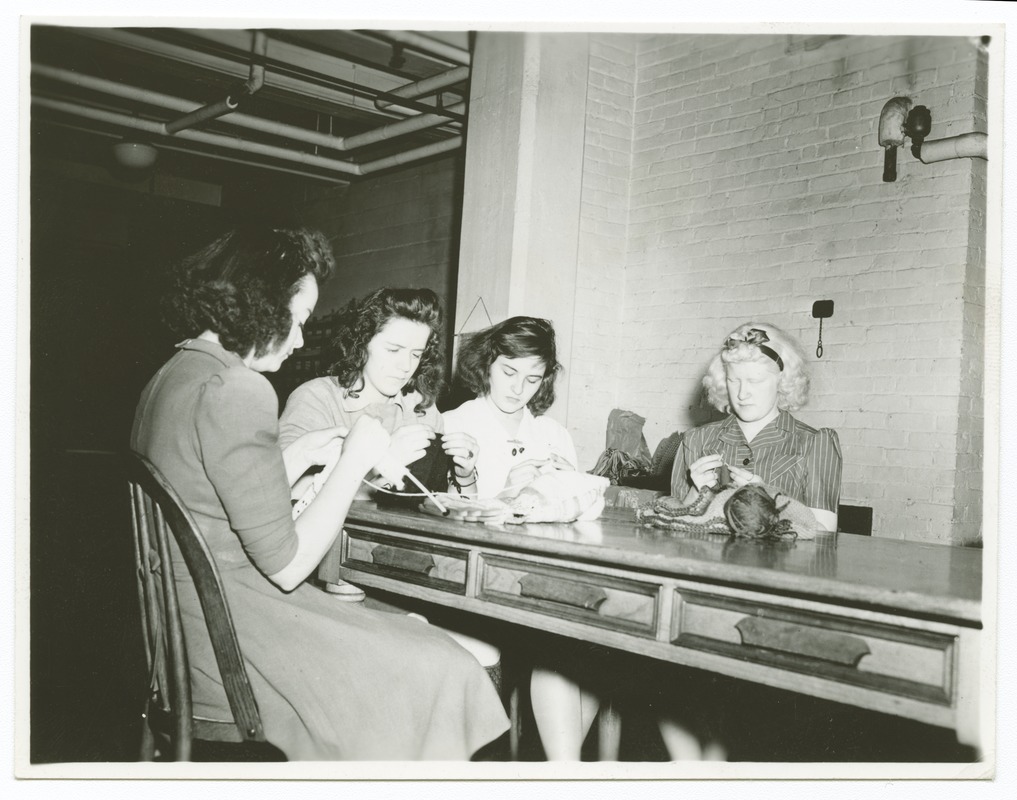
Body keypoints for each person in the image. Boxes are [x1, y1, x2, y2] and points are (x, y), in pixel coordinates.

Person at [130, 227, 508, 760]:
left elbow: (207, 497)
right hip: (237, 647)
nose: (302, 339)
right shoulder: (238, 388)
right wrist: (355, 458)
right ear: (259, 306)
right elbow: (287, 567)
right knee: (444, 664)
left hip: (187, 640)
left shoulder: (176, 373)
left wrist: (294, 457)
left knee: (410, 639)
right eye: (299, 319)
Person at [658, 320, 843, 760]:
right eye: (733, 380)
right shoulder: (697, 440)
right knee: (669, 680)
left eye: (756, 380)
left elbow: (825, 530)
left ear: (784, 382)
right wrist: (690, 492)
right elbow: (669, 527)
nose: (742, 392)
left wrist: (768, 496)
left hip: (774, 600)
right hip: (702, 594)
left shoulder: (815, 443)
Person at [444, 317, 600, 761]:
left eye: (533, 379)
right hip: (478, 580)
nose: (518, 389)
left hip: (541, 577)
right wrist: (498, 486)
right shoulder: (454, 424)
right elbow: (444, 516)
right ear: (488, 364)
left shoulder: (552, 435)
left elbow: (577, 515)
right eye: (509, 373)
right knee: (559, 646)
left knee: (590, 648)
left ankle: (562, 771)